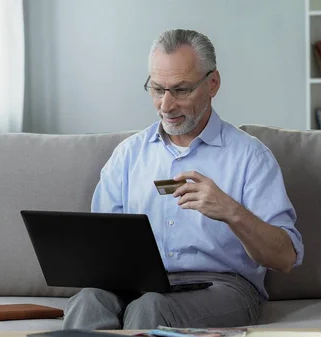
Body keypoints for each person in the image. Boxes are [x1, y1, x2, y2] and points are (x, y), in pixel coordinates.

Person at [62, 29, 304, 330]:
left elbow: (285, 257)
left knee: (152, 307)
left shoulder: (250, 156)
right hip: (137, 284)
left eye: (180, 90)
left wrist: (232, 212)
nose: (166, 105)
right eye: (157, 89)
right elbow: (99, 247)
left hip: (223, 287)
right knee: (88, 301)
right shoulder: (128, 155)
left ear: (212, 83)